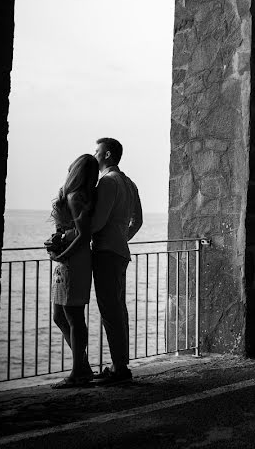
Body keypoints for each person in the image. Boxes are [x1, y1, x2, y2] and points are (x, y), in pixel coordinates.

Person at [91, 137, 143, 384]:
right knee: (119, 310)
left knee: (110, 311)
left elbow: (98, 223)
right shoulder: (129, 183)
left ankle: (119, 369)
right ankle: (120, 364)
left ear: (108, 155)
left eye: (97, 151)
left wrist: (76, 234)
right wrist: (122, 238)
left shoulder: (107, 183)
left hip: (106, 253)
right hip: (120, 252)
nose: (95, 155)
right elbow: (138, 221)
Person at [47, 154, 99, 388]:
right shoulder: (77, 196)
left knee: (74, 317)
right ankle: (83, 365)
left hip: (74, 261)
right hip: (69, 260)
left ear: (75, 171)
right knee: (60, 316)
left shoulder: (76, 196)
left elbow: (84, 235)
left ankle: (78, 371)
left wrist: (62, 254)